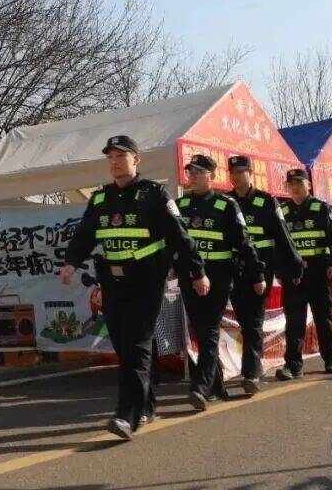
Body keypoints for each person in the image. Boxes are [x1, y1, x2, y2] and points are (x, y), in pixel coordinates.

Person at [60, 135, 205, 440]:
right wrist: (71, 263)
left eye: (120, 156)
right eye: (110, 157)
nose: (114, 162)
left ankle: (127, 415)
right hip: (112, 281)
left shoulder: (154, 194)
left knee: (138, 344)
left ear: (136, 159)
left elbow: (180, 236)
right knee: (125, 347)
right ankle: (146, 405)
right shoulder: (100, 198)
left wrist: (197, 272)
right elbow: (85, 235)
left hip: (146, 279)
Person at [176, 153, 262, 410]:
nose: (192, 176)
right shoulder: (180, 205)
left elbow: (244, 243)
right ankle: (216, 385)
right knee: (201, 331)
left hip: (219, 277)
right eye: (190, 172)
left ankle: (201, 386)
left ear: (212, 176)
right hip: (189, 278)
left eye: (198, 172)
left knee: (210, 330)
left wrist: (257, 274)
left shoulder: (226, 206)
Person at [227, 155, 303, 395]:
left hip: (260, 269)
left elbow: (282, 234)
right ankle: (250, 367)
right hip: (233, 269)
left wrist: (294, 264)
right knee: (243, 320)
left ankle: (251, 373)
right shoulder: (227, 201)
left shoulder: (266, 201)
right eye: (233, 172)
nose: (237, 176)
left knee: (254, 320)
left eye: (241, 171)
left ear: (251, 173)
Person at [276, 169, 332, 379]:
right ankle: (293, 365)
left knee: (323, 318)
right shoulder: (282, 211)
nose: (295, 187)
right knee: (294, 321)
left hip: (318, 272)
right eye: (291, 183)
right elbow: (278, 245)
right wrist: (281, 271)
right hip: (294, 275)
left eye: (299, 182)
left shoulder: (321, 208)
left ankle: (330, 358)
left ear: (309, 185)